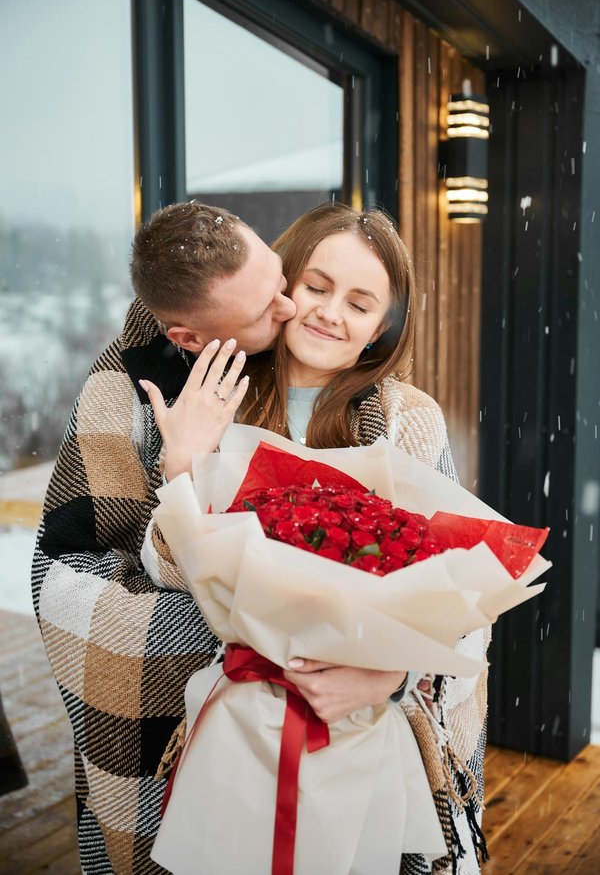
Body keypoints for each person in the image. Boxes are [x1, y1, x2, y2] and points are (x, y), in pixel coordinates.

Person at [141, 204, 490, 874]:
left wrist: (390, 674)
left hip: (360, 733)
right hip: (239, 719)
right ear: (282, 287)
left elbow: (462, 590)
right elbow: (165, 565)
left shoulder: (405, 418)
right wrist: (179, 466)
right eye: (317, 286)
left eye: (360, 303)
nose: (331, 313)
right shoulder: (220, 396)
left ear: (380, 327)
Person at [31, 202, 297, 874]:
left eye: (279, 277)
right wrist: (183, 468)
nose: (292, 308)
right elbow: (69, 567)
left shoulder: (327, 353)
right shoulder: (119, 391)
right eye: (265, 310)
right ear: (192, 339)